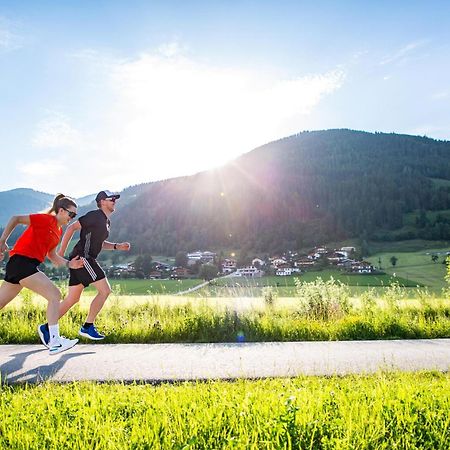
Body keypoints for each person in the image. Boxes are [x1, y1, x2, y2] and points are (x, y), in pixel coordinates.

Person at [38, 190, 130, 346]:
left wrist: (116, 246)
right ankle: (87, 326)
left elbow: (98, 243)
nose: (115, 200)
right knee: (105, 290)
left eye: (115, 199)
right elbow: (71, 228)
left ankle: (47, 328)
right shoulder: (95, 215)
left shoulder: (106, 222)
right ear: (102, 201)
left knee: (72, 299)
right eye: (111, 198)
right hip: (83, 258)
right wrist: (60, 252)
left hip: (82, 260)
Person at [0, 194, 84, 355]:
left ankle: (54, 340)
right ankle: (54, 341)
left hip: (22, 266)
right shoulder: (46, 220)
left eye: (75, 216)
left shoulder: (58, 231)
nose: (72, 218)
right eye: (71, 214)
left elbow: (52, 255)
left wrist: (69, 264)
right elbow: (16, 218)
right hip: (21, 262)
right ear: (61, 210)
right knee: (55, 295)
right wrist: (3, 240)